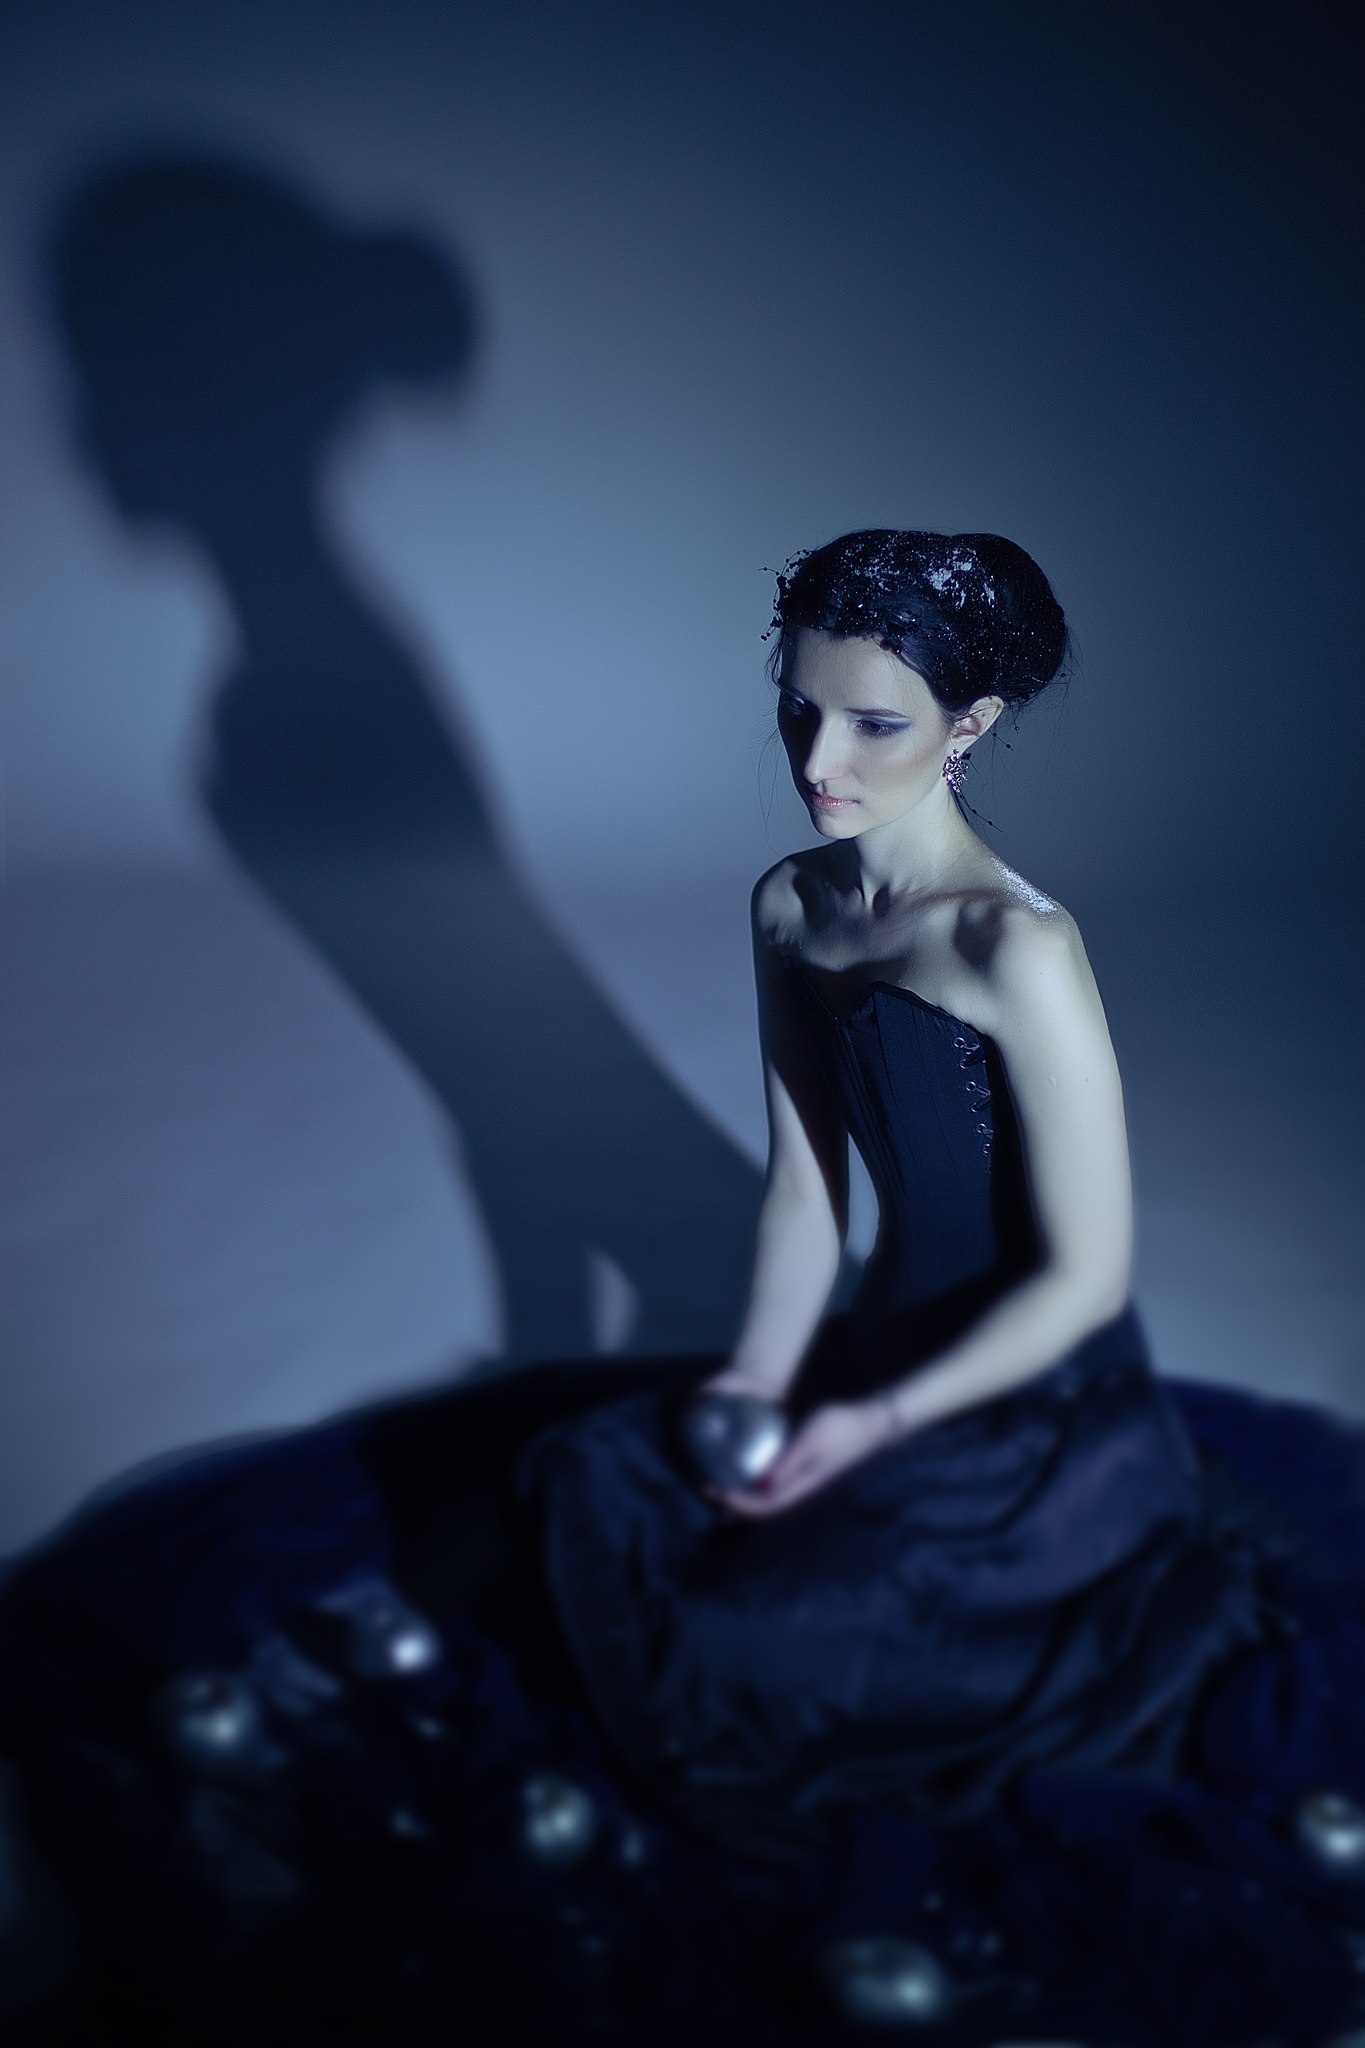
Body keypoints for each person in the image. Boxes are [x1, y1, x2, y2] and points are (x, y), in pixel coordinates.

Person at [3, 532, 1365, 2048]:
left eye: (874, 724)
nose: (818, 763)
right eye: (798, 710)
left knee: (744, 1665)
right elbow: (802, 1193)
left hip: (1037, 1409)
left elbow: (1085, 1279)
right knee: (581, 1484)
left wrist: (864, 1433)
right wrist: (760, 1385)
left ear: (970, 727)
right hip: (877, 1350)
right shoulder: (791, 904)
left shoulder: (1018, 948)